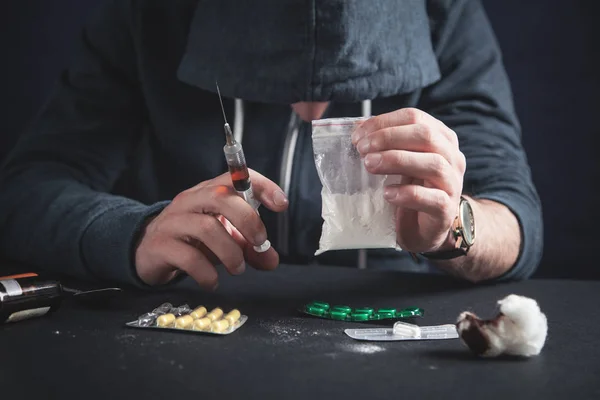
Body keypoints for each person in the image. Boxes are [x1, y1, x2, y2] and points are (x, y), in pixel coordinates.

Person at [0, 0, 542, 290]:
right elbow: (26, 189)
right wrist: (133, 233)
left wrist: (454, 225)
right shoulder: (150, 13)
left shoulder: (445, 13)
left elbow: (517, 220)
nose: (309, 109)